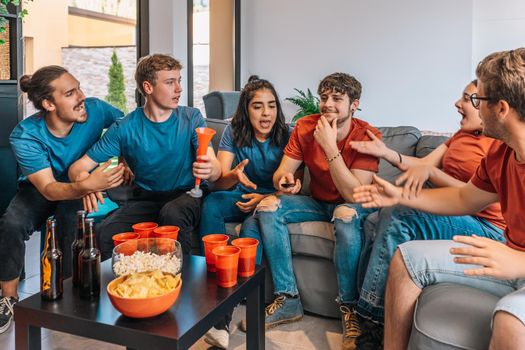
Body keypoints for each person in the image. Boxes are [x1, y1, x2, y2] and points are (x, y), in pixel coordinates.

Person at [353, 48, 525, 350]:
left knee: (510, 322)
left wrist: (521, 262)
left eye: (478, 100)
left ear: (501, 108)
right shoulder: (501, 154)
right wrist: (401, 194)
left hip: (517, 263)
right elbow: (463, 197)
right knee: (407, 259)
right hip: (505, 259)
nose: (471, 105)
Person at [255, 72, 381, 350]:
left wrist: (328, 144)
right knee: (268, 206)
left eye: (337, 99)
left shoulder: (368, 136)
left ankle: (350, 309)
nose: (328, 104)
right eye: (324, 98)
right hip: (316, 202)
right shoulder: (305, 127)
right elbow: (282, 173)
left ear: (354, 104)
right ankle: (288, 299)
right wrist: (284, 181)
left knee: (345, 215)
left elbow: (354, 193)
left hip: (353, 205)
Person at [0, 65, 125, 334]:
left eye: (78, 87)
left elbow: (128, 130)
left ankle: (71, 294)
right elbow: (48, 188)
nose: (81, 96)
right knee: (11, 223)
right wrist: (86, 185)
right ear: (48, 104)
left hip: (80, 183)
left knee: (73, 218)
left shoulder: (97, 109)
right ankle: (8, 298)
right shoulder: (25, 135)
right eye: (70, 93)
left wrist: (116, 163)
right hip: (41, 189)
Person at [69, 54, 221, 260]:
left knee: (172, 214)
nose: (179, 89)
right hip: (146, 198)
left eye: (179, 81)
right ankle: (119, 289)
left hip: (187, 195)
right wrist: (85, 185)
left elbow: (215, 167)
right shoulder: (124, 127)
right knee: (104, 234)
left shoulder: (192, 117)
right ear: (148, 87)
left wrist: (211, 170)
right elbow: (78, 167)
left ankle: (180, 284)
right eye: (170, 82)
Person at [199, 75, 290, 349]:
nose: (266, 113)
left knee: (251, 229)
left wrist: (265, 196)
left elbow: (295, 188)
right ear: (246, 110)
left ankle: (222, 317)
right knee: (212, 204)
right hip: (241, 193)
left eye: (271, 106)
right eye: (258, 106)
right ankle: (215, 283)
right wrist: (235, 177)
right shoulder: (232, 132)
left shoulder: (288, 135)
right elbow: (218, 182)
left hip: (270, 200)